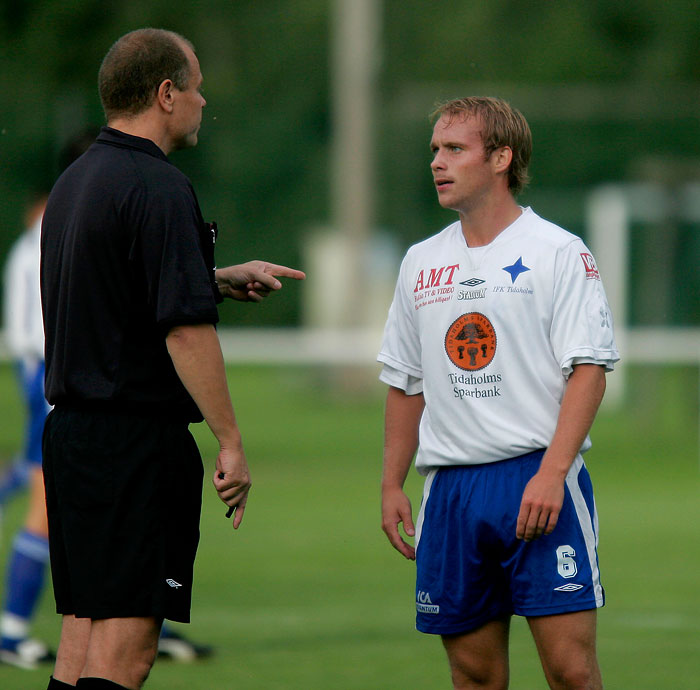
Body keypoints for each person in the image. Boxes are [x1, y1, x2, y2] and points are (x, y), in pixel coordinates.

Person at [40, 28, 305, 690]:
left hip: (72, 438)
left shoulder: (74, 182)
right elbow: (184, 334)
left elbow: (114, 287)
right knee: (126, 649)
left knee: (82, 635)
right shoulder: (158, 186)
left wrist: (211, 277)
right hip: (132, 445)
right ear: (165, 94)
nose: (203, 101)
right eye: (196, 87)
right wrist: (231, 441)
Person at [378, 97, 619, 690]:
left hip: (536, 480)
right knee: (475, 676)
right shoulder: (420, 262)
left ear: (501, 158)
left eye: (454, 148)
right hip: (452, 492)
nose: (437, 161)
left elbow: (588, 369)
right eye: (435, 149)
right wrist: (390, 483)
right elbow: (406, 383)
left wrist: (552, 472)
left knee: (570, 672)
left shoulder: (558, 252)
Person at [0, 194, 55, 670]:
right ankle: (11, 631)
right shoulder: (44, 242)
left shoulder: (30, 243)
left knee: (36, 475)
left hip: (43, 369)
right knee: (50, 502)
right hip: (50, 373)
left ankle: (145, 623)